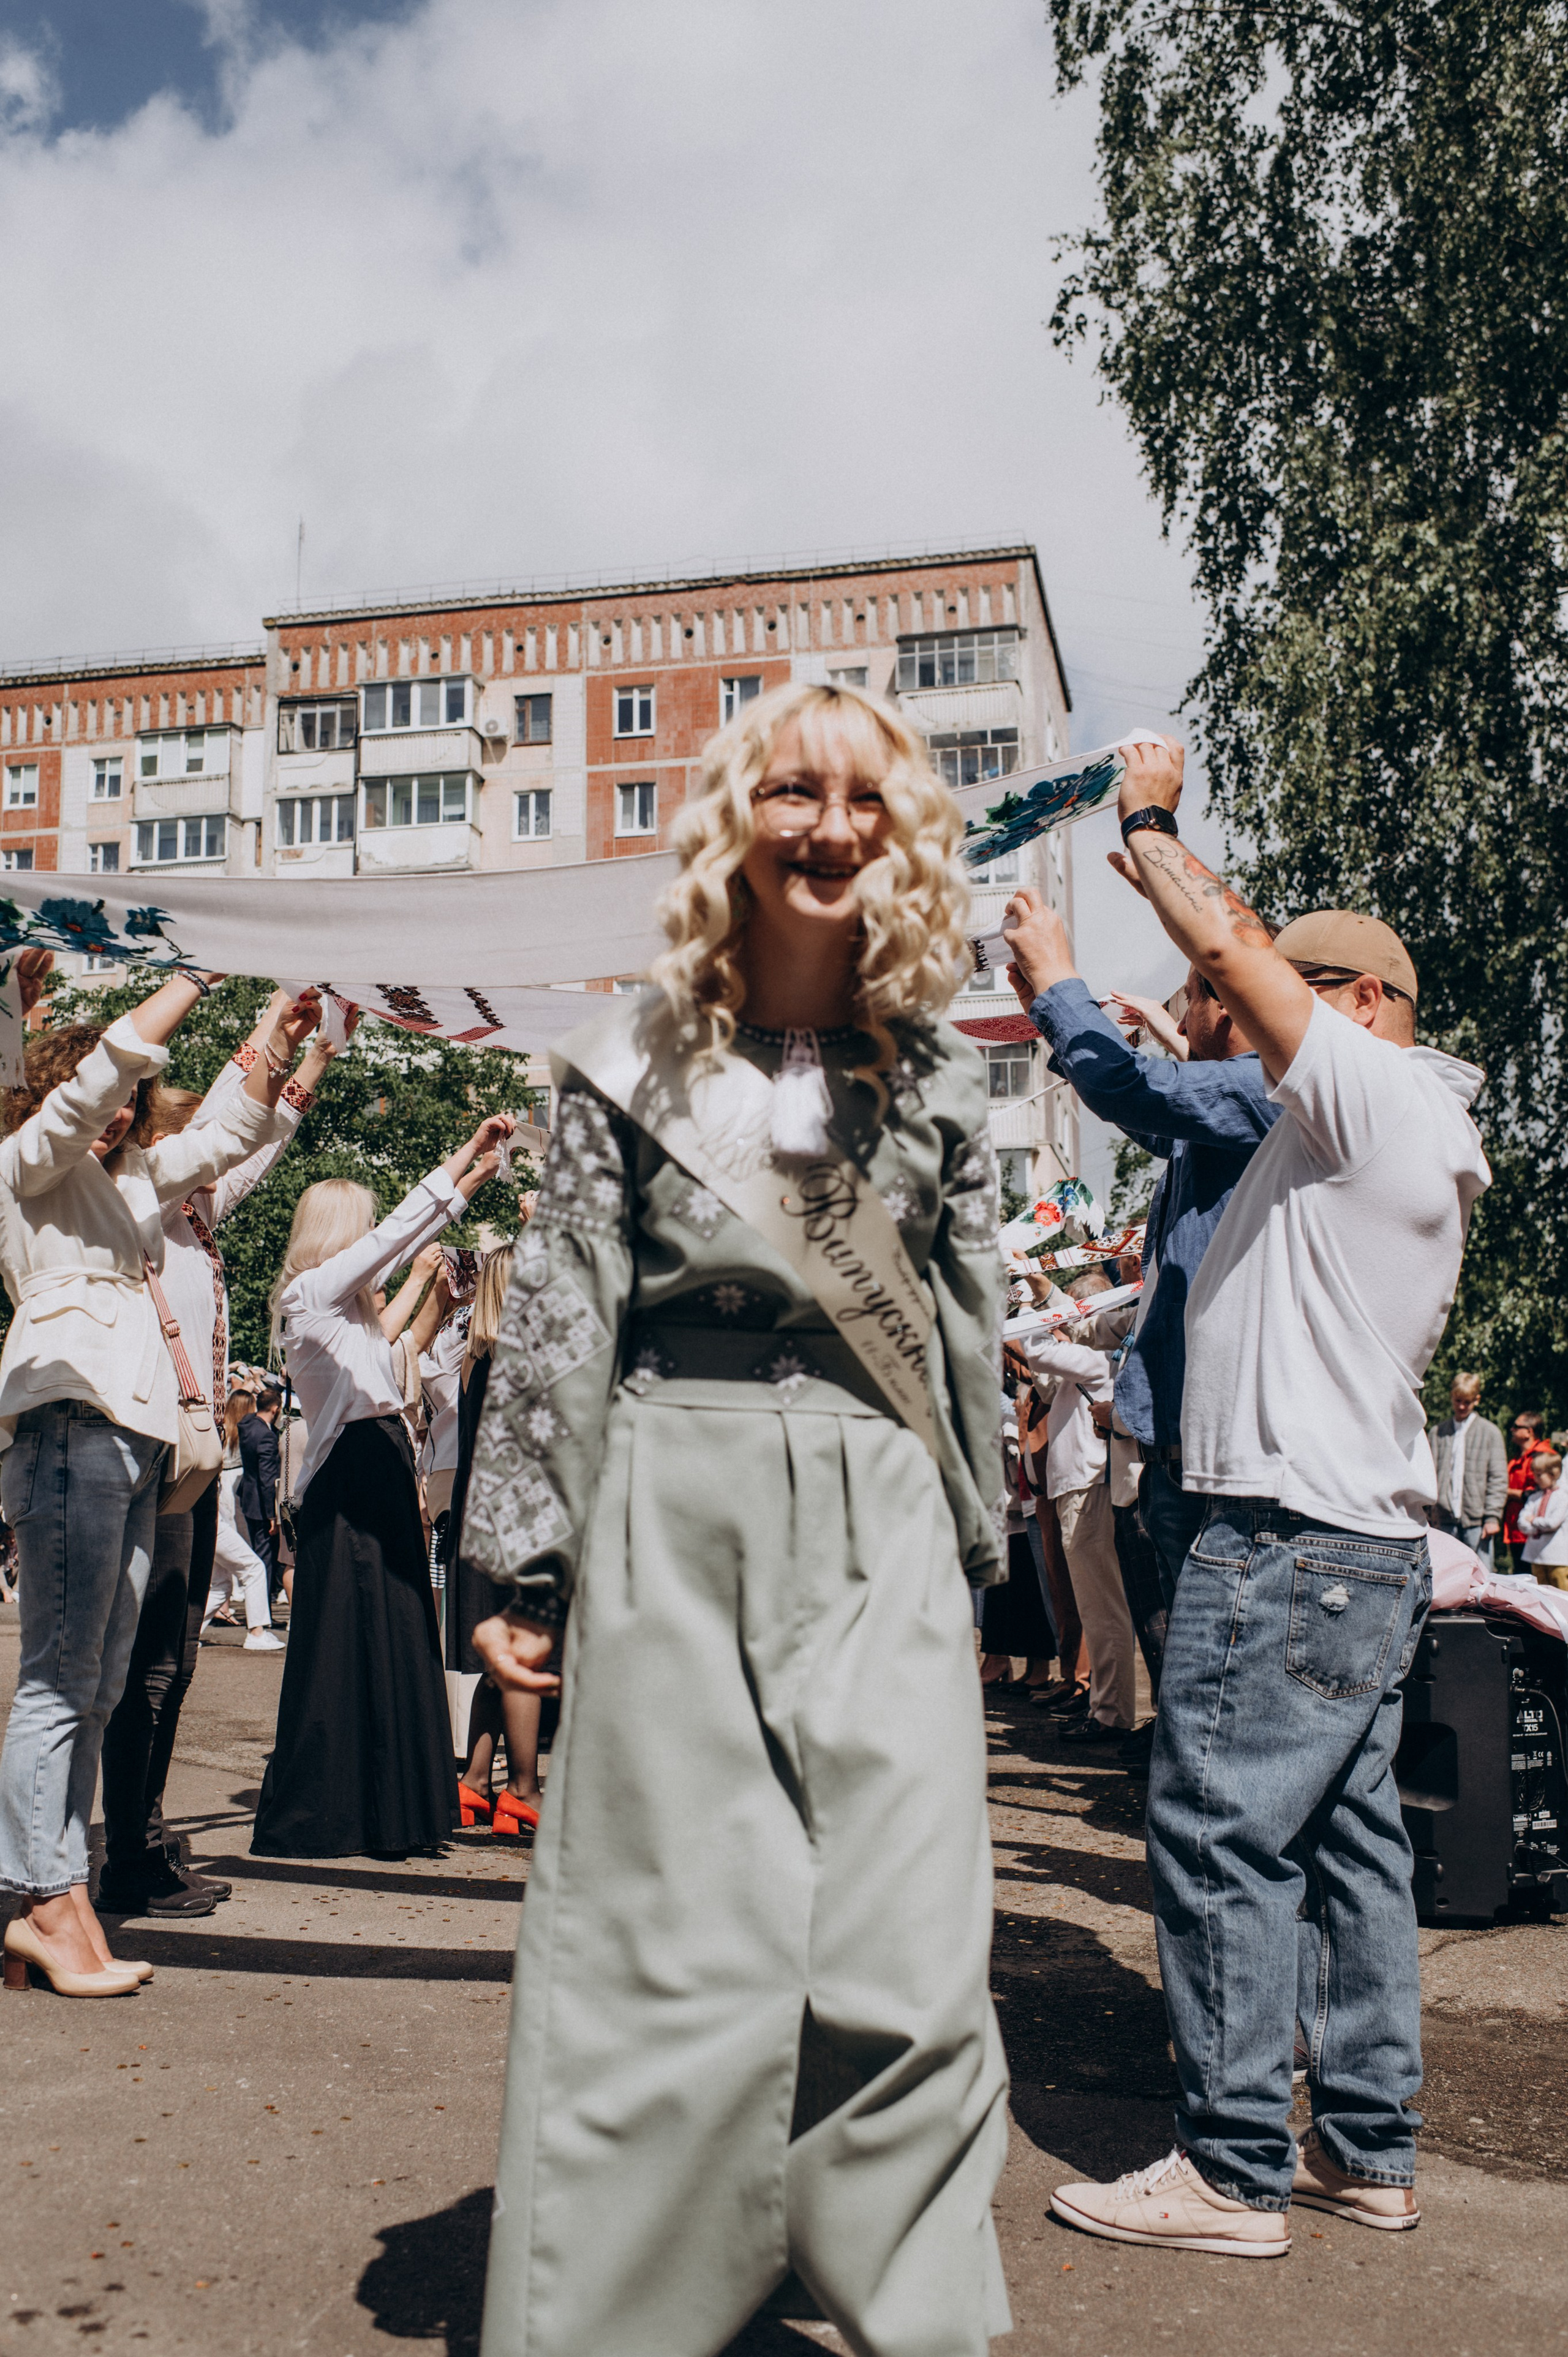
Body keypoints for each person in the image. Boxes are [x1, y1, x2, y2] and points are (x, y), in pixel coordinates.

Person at [462, 681, 1011, 2357]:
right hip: (669, 1487)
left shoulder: (935, 1073)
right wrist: (524, 1559)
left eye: (864, 799)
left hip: (879, 1506)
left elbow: (971, 1321)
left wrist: (977, 1551)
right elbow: (562, 1301)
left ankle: (912, 2312)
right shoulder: (630, 1058)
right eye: (792, 791)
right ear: (734, 817)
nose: (830, 828)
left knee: (911, 1953)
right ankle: (615, 2317)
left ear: (903, 831)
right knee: (667, 1945)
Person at [1049, 742, 1489, 2257]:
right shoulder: (1366, 1129)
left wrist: (1150, 822)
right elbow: (1188, 1069)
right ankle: (1363, 2147)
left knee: (1220, 1830)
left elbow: (1223, 941)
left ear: (1357, 1009)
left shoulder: (1367, 1100)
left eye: (1270, 999)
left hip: (1284, 1533)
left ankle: (1230, 2166)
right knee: (1350, 1842)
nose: (1230, 1018)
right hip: (1349, 1537)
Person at [0, 964, 297, 1998]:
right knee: (58, 1674)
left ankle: (56, 1888)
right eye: (106, 1092)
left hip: (133, 1439)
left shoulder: (124, 1186)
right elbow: (92, 1085)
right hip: (70, 1421)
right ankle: (43, 1896)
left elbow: (224, 1140)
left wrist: (275, 1038)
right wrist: (190, 977)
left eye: (129, 1100)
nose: (122, 1107)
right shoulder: (27, 1163)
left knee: (102, 1678)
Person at [96, 994, 333, 1920]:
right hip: (145, 1454)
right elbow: (240, 1126)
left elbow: (262, 1140)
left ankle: (143, 1842)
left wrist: (317, 1054)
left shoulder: (191, 1219)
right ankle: (114, 1858)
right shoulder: (136, 1201)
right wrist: (275, 1025)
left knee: (174, 1665)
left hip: (190, 1463)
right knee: (135, 1666)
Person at [1004, 890, 1281, 1606]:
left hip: (1220, 1465)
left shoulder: (1267, 1093)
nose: (1179, 1020)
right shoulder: (1217, 1121)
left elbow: (1135, 1091)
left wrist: (1061, 982)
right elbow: (1143, 1110)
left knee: (1207, 1692)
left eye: (1188, 1000)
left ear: (1224, 1005)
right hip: (1174, 1455)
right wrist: (1049, 1008)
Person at [250, 1113, 512, 1861]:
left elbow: (396, 1337)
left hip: (383, 1460)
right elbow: (395, 1235)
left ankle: (389, 1804)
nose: (375, 1244)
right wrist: (461, 1167)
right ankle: (340, 1807)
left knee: (395, 1632)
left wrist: (462, 1200)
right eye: (360, 1229)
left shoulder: (345, 1311)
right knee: (350, 1639)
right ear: (341, 1231)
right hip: (355, 1469)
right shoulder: (311, 1295)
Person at [446, 1244, 546, 1838]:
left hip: (478, 1520)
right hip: (520, 1519)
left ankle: (476, 1781)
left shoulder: (473, 1360)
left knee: (494, 1661)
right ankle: (524, 1787)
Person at [1017, 1266, 1137, 1743]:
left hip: (1088, 1488)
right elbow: (1044, 1373)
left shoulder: (1097, 1359)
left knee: (1102, 1610)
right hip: (1077, 1488)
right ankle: (1105, 1707)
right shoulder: (1087, 1361)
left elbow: (1036, 1348)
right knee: (1095, 1609)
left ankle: (1110, 1714)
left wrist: (1027, 1305)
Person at [203, 1388, 279, 1644]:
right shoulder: (256, 1433)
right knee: (255, 1567)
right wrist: (272, 1513)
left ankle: (186, 1635)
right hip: (216, 1514)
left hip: (226, 1506)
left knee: (220, 1584)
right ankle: (257, 1632)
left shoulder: (243, 1429)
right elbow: (267, 1477)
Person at [1428, 1374, 1507, 1564]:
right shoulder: (1438, 1432)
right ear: (1451, 1397)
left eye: (1468, 1402)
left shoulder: (1490, 1433)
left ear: (1477, 1400)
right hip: (1444, 1520)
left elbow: (1498, 1478)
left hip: (1477, 1523)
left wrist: (1492, 1517)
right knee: (1445, 1574)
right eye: (1458, 1401)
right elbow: (1429, 1475)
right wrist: (1430, 1513)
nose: (1462, 1406)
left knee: (1481, 1576)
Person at [238, 1386, 283, 1604]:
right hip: (262, 1506)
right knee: (264, 1560)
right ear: (275, 1410)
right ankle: (262, 1611)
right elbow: (267, 1480)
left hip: (248, 1499)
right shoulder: (266, 1436)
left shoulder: (247, 1424)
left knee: (258, 1554)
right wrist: (273, 1516)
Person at [1504, 1410, 1553, 1574]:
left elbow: (1543, 1493)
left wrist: (1509, 1493)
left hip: (1535, 1532)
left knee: (1535, 1581)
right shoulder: (1519, 1458)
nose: (1512, 1429)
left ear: (1529, 1432)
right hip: (1518, 1529)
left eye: (1517, 1427)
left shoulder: (1543, 1457)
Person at [1518, 1452, 1568, 1589]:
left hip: (1557, 1556)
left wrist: (1533, 1521)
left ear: (1553, 1474)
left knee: (1561, 1590)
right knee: (1541, 1590)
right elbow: (1522, 1522)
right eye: (1535, 1475)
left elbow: (1552, 1523)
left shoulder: (1563, 1497)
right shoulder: (1535, 1498)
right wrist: (1536, 1526)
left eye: (1539, 1475)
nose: (1536, 1479)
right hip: (1536, 1554)